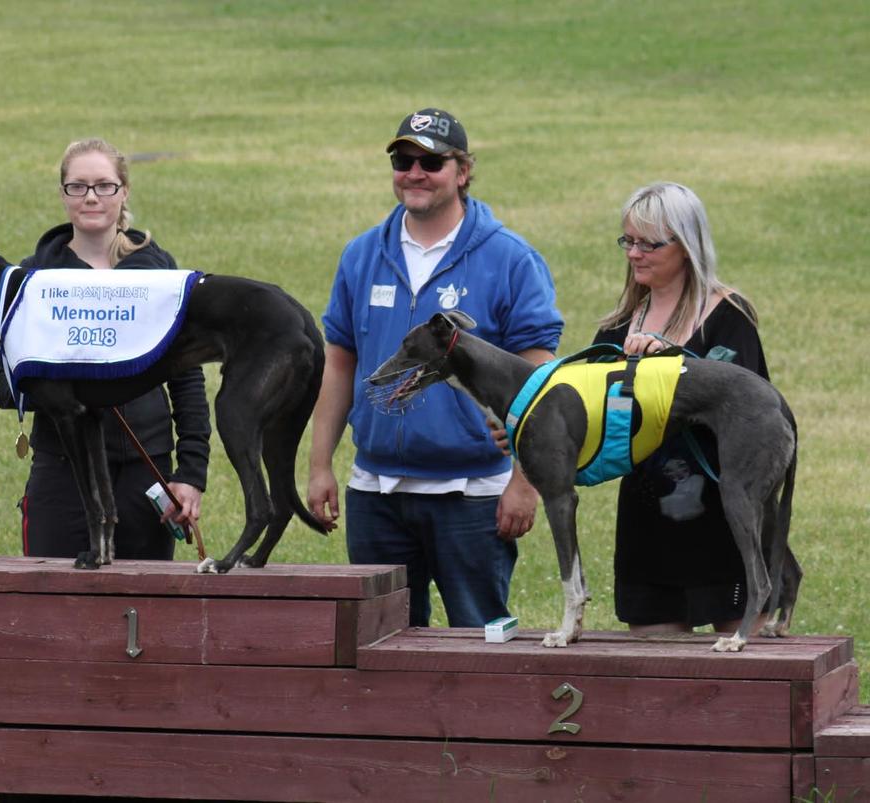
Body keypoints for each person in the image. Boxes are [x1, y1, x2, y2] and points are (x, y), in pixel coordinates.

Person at [307, 108, 563, 628]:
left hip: (471, 497)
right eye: (404, 160)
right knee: (378, 648)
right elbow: (339, 363)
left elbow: (539, 376)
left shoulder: (511, 259)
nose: (415, 173)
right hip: (375, 492)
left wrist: (524, 482)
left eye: (431, 161)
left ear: (462, 171)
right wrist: (319, 466)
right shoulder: (361, 255)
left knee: (481, 641)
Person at [0, 138, 210, 560]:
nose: (91, 196)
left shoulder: (159, 274)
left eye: (104, 185)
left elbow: (187, 377)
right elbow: (4, 386)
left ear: (124, 191)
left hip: (144, 466)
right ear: (63, 194)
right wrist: (70, 381)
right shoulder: (33, 280)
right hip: (62, 469)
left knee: (143, 609)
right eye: (78, 186)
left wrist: (191, 473)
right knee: (56, 606)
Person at [592, 180, 769, 634]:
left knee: (748, 684)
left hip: (723, 521)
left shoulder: (729, 318)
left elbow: (749, 415)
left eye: (649, 243)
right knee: (656, 681)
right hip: (649, 524)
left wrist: (670, 363)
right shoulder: (615, 330)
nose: (634, 253)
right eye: (628, 241)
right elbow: (593, 416)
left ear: (687, 247)